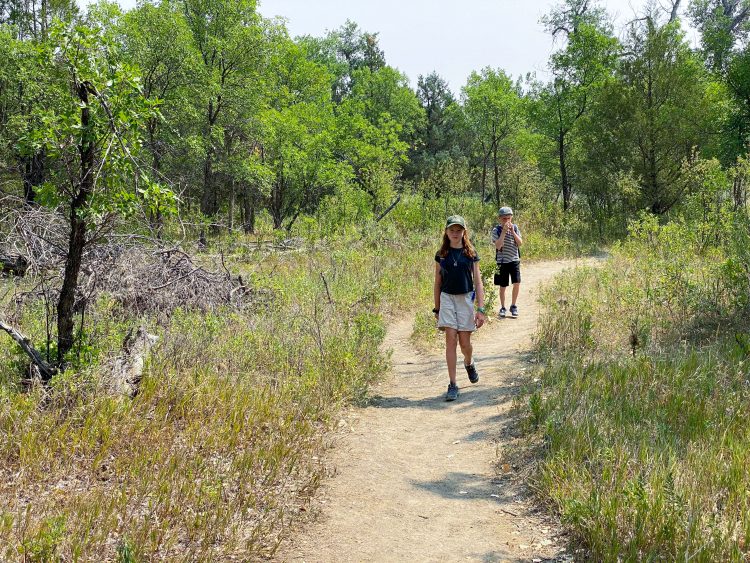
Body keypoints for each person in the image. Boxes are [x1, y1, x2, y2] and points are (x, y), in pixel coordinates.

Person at [433, 215, 486, 401]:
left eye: (458, 230)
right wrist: (437, 309)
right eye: (451, 230)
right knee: (451, 339)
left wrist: (481, 309)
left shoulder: (470, 253)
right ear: (446, 232)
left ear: (464, 232)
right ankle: (453, 384)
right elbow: (437, 283)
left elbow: (478, 283)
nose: (455, 233)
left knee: (465, 343)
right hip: (447, 299)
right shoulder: (442, 255)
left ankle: (469, 362)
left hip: (465, 299)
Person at [491, 206, 523, 318]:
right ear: (499, 219)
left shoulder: (515, 227)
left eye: (508, 218)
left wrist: (513, 232)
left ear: (511, 218)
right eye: (504, 219)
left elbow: (520, 243)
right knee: (503, 286)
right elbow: (498, 245)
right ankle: (503, 307)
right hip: (502, 261)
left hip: (514, 259)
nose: (507, 221)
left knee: (517, 283)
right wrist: (504, 232)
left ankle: (513, 306)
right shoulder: (496, 231)